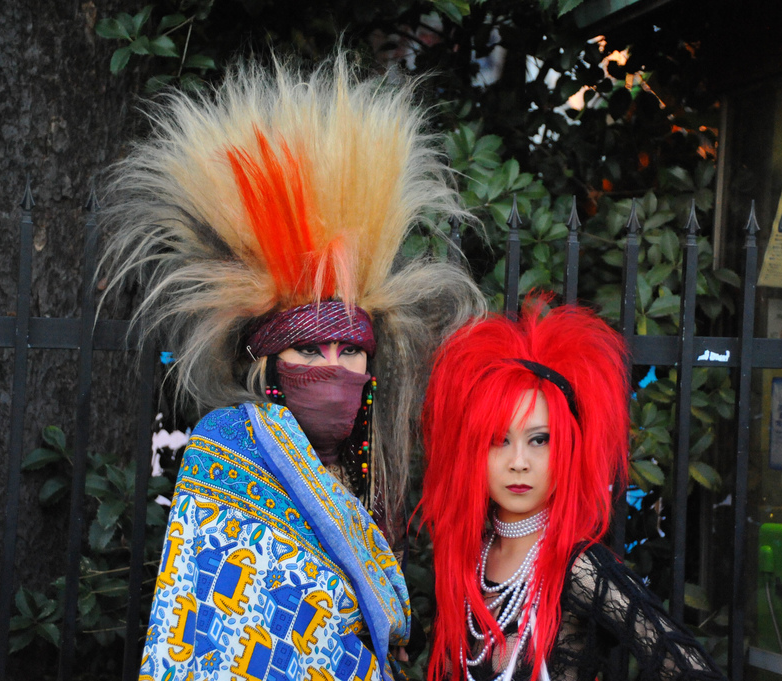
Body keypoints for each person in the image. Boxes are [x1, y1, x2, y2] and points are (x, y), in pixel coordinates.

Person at [101, 53, 484, 681]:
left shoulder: (376, 471)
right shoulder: (227, 447)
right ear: (267, 363)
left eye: (350, 352)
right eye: (309, 350)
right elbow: (205, 620)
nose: (333, 368)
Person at [419, 302, 727, 681]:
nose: (519, 462)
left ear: (567, 448)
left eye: (539, 440)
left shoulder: (581, 568)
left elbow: (691, 671)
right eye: (499, 440)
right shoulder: (466, 560)